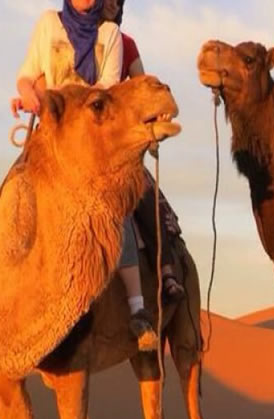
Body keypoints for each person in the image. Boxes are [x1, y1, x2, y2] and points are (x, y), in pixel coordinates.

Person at [12, 0, 157, 351]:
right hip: (51, 137)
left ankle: (141, 305)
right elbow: (26, 74)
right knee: (14, 201)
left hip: (96, 141)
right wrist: (29, 93)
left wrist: (53, 94)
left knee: (120, 206)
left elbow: (107, 91)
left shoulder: (114, 37)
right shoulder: (48, 25)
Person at [102, 0, 185, 304]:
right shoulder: (67, 39)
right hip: (77, 141)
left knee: (143, 194)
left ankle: (166, 270)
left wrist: (154, 114)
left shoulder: (126, 45)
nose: (110, 3)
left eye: (116, 0)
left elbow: (141, 86)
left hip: (119, 143)